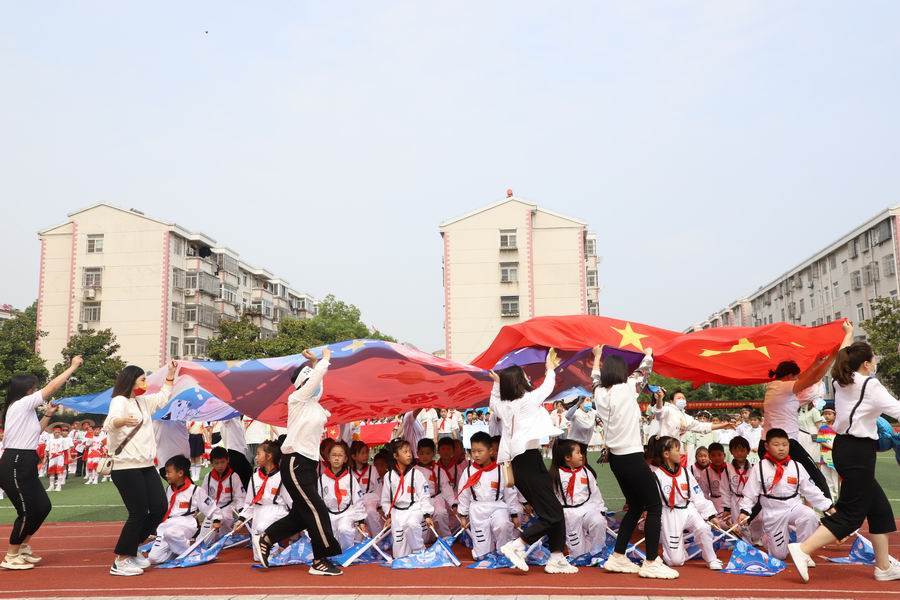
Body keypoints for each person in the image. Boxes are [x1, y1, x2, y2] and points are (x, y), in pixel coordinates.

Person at [787, 339, 900, 583]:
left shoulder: (841, 380)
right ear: (867, 364)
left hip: (845, 446)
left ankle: (883, 566)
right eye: (874, 359)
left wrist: (847, 334)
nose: (876, 363)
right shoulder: (870, 385)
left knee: (879, 509)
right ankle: (803, 548)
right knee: (851, 514)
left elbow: (841, 354)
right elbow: (898, 410)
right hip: (858, 450)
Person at [591, 345, 676, 579]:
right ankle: (651, 561)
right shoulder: (627, 387)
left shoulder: (599, 393)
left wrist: (597, 357)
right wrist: (649, 351)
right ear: (621, 372)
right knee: (654, 506)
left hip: (616, 461)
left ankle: (618, 556)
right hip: (631, 457)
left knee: (636, 506)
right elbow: (645, 370)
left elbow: (595, 378)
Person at [491, 348, 576, 575]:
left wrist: (496, 383)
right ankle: (518, 545)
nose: (527, 379)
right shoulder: (526, 401)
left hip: (524, 463)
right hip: (528, 462)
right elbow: (547, 388)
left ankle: (557, 557)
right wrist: (549, 367)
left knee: (553, 509)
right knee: (553, 514)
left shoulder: (503, 406)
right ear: (518, 382)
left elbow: (494, 401)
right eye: (524, 377)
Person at [259, 348, 343, 575]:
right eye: (310, 380)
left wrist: (316, 362)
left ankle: (267, 538)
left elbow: (318, 383)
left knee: (302, 514)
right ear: (303, 383)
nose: (316, 385)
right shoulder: (296, 399)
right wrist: (325, 360)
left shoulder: (314, 404)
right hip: (295, 462)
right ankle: (320, 560)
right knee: (317, 509)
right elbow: (316, 379)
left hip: (308, 464)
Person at [0, 356, 83, 571]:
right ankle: (10, 555)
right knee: (27, 511)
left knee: (43, 507)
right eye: (35, 388)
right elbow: (52, 387)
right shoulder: (20, 404)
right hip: (15, 461)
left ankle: (23, 546)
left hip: (25, 461)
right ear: (28, 390)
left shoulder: (24, 410)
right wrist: (72, 367)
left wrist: (47, 415)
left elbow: (36, 431)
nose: (37, 391)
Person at [760, 321, 853, 499]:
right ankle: (830, 510)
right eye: (795, 376)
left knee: (768, 480)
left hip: (768, 441)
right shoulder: (784, 387)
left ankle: (750, 516)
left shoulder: (775, 387)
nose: (797, 379)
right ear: (789, 377)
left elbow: (805, 377)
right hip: (785, 442)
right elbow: (813, 378)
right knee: (816, 476)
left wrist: (816, 362)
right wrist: (832, 356)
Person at [104, 360, 178, 576]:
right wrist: (120, 421)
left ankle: (133, 548)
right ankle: (121, 559)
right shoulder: (120, 400)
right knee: (137, 512)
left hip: (146, 464)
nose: (146, 382)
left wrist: (171, 374)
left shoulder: (142, 402)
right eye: (143, 379)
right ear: (131, 381)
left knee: (159, 508)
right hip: (126, 466)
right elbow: (109, 423)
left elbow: (164, 397)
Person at [737, 428, 833, 561]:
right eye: (776, 445)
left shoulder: (797, 466)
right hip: (773, 512)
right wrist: (744, 511)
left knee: (809, 515)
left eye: (784, 444)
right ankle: (767, 537)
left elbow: (811, 490)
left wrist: (829, 507)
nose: (781, 448)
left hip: (793, 505)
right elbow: (750, 494)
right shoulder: (759, 467)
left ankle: (803, 552)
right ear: (766, 446)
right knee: (779, 556)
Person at [650, 436, 723, 570]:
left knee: (703, 528)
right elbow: (651, 501)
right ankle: (679, 550)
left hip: (688, 509)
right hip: (669, 513)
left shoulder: (685, 472)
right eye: (677, 450)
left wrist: (711, 515)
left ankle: (711, 559)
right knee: (675, 561)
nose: (681, 453)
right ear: (666, 454)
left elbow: (698, 496)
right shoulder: (656, 475)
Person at [456, 431, 520, 559]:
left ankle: (504, 553)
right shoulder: (468, 471)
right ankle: (483, 552)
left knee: (502, 525)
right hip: (477, 510)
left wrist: (514, 513)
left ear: (491, 451)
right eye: (473, 451)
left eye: (480, 451)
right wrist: (463, 515)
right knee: (482, 556)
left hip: (498, 507)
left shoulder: (501, 469)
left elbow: (510, 493)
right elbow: (464, 494)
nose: (476, 455)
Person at [147, 455, 222, 564]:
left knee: (171, 533)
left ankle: (191, 551)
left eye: (169, 472)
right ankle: (178, 551)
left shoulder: (195, 490)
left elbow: (211, 507)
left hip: (185, 523)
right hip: (167, 525)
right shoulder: (168, 489)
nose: (166, 475)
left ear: (180, 473)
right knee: (154, 558)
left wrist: (216, 520)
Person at [550, 439, 608, 558]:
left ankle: (598, 554)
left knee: (598, 522)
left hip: (587, 508)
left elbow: (595, 493)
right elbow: (551, 499)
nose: (581, 456)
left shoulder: (586, 472)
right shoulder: (555, 475)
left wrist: (600, 509)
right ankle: (582, 556)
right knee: (577, 554)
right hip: (568, 514)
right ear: (567, 457)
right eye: (578, 453)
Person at [237, 441, 292, 563]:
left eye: (258, 454)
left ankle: (278, 549)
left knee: (263, 529)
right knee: (257, 557)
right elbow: (250, 502)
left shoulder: (282, 477)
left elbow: (290, 502)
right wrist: (242, 519)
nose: (256, 457)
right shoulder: (255, 477)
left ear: (269, 456)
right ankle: (279, 550)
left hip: (277, 510)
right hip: (258, 511)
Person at [381, 438, 434, 558]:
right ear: (395, 455)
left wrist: (427, 514)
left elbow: (424, 496)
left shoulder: (417, 474)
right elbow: (385, 500)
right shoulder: (388, 476)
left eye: (409, 451)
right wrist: (388, 515)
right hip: (397, 512)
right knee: (399, 555)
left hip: (413, 508)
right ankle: (407, 554)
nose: (409, 454)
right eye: (405, 452)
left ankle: (420, 551)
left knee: (411, 525)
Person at [650, 388, 733, 465]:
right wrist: (660, 399)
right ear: (671, 401)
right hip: (663, 447)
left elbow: (701, 426)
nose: (682, 400)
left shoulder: (687, 417)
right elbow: (659, 411)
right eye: (679, 398)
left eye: (683, 398)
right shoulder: (668, 409)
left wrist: (723, 425)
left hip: (675, 450)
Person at [319, 441, 367, 551]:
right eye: (333, 455)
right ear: (328, 458)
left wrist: (361, 521)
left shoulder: (350, 479)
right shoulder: (322, 479)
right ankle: (333, 555)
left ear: (345, 459)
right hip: (328, 514)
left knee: (344, 529)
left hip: (346, 513)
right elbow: (319, 500)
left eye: (340, 455)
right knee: (328, 536)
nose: (336, 458)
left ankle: (346, 553)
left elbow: (358, 501)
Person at [200, 446, 245, 541]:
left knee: (224, 518)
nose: (220, 466)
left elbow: (240, 497)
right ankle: (207, 542)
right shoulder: (208, 477)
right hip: (213, 508)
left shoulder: (233, 476)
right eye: (216, 463)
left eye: (223, 462)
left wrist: (242, 512)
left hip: (228, 507)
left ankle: (226, 538)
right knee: (206, 532)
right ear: (211, 463)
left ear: (228, 460)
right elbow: (203, 496)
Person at [723, 436, 763, 544]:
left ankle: (756, 541)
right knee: (739, 524)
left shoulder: (754, 468)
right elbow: (725, 489)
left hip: (751, 501)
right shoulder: (727, 469)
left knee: (756, 521)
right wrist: (726, 507)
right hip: (736, 500)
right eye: (735, 450)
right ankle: (743, 545)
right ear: (731, 452)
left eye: (742, 450)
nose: (739, 453)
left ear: (748, 451)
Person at [414, 438, 452, 538]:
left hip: (436, 498)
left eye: (428, 453)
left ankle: (447, 539)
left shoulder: (438, 470)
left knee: (441, 513)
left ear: (434, 453)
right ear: (417, 453)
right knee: (422, 532)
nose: (425, 456)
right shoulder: (413, 471)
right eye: (421, 453)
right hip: (420, 501)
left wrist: (454, 504)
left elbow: (446, 488)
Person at [349, 441, 384, 537]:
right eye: (362, 453)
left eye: (366, 453)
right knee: (352, 517)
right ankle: (360, 542)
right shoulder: (348, 471)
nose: (365, 456)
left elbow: (378, 487)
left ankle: (378, 539)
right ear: (353, 456)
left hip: (370, 498)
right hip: (355, 501)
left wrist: (381, 506)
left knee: (370, 512)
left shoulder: (372, 469)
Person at [815, 402, 840, 499]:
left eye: (829, 414)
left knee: (836, 479)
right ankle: (831, 499)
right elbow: (821, 441)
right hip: (824, 457)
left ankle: (838, 498)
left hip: (835, 457)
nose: (827, 416)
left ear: (835, 415)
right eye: (825, 414)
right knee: (827, 480)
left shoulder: (838, 427)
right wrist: (833, 448)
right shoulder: (823, 428)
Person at [703, 443, 729, 515]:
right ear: (709, 457)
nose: (717, 458)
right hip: (715, 505)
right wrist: (709, 511)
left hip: (731, 504)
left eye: (719, 455)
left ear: (724, 455)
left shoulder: (730, 469)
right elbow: (704, 494)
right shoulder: (705, 473)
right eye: (713, 455)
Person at [45, 425, 69, 492]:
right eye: (56, 432)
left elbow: (66, 449)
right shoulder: (50, 440)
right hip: (52, 457)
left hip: (60, 457)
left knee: (59, 471)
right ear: (53, 432)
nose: (57, 433)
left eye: (58, 432)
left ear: (60, 432)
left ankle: (59, 486)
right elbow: (46, 450)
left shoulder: (63, 440)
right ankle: (51, 486)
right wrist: (45, 458)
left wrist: (68, 457)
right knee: (51, 472)